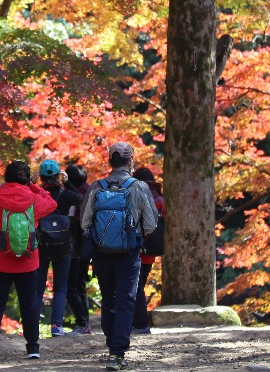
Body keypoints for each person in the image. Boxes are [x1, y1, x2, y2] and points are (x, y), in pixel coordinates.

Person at [81, 142, 158, 371]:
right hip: (129, 253)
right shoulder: (139, 187)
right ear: (131, 161)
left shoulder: (97, 187)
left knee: (108, 299)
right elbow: (151, 224)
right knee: (126, 301)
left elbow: (85, 224)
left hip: (102, 254)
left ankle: (110, 343)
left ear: (109, 162)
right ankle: (117, 353)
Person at [0, 160, 57, 361]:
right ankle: (33, 348)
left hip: (1, 260)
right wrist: (34, 187)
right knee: (28, 305)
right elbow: (52, 202)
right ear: (27, 178)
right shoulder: (33, 198)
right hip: (28, 261)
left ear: (6, 176)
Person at [34, 159, 84, 337]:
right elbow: (80, 198)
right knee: (61, 286)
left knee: (38, 286)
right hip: (63, 244)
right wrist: (67, 181)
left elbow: (24, 197)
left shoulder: (37, 194)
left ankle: (32, 326)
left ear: (40, 176)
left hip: (42, 244)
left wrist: (32, 183)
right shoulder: (65, 194)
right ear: (58, 175)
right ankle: (56, 326)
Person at [130, 167, 164, 335]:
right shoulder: (160, 199)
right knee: (139, 286)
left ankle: (141, 324)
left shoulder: (136, 196)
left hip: (137, 247)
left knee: (136, 288)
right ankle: (137, 322)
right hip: (151, 249)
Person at [64, 164, 93, 335]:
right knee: (80, 285)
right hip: (88, 245)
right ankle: (84, 322)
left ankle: (82, 323)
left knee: (71, 286)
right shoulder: (91, 192)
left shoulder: (72, 197)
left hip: (75, 246)